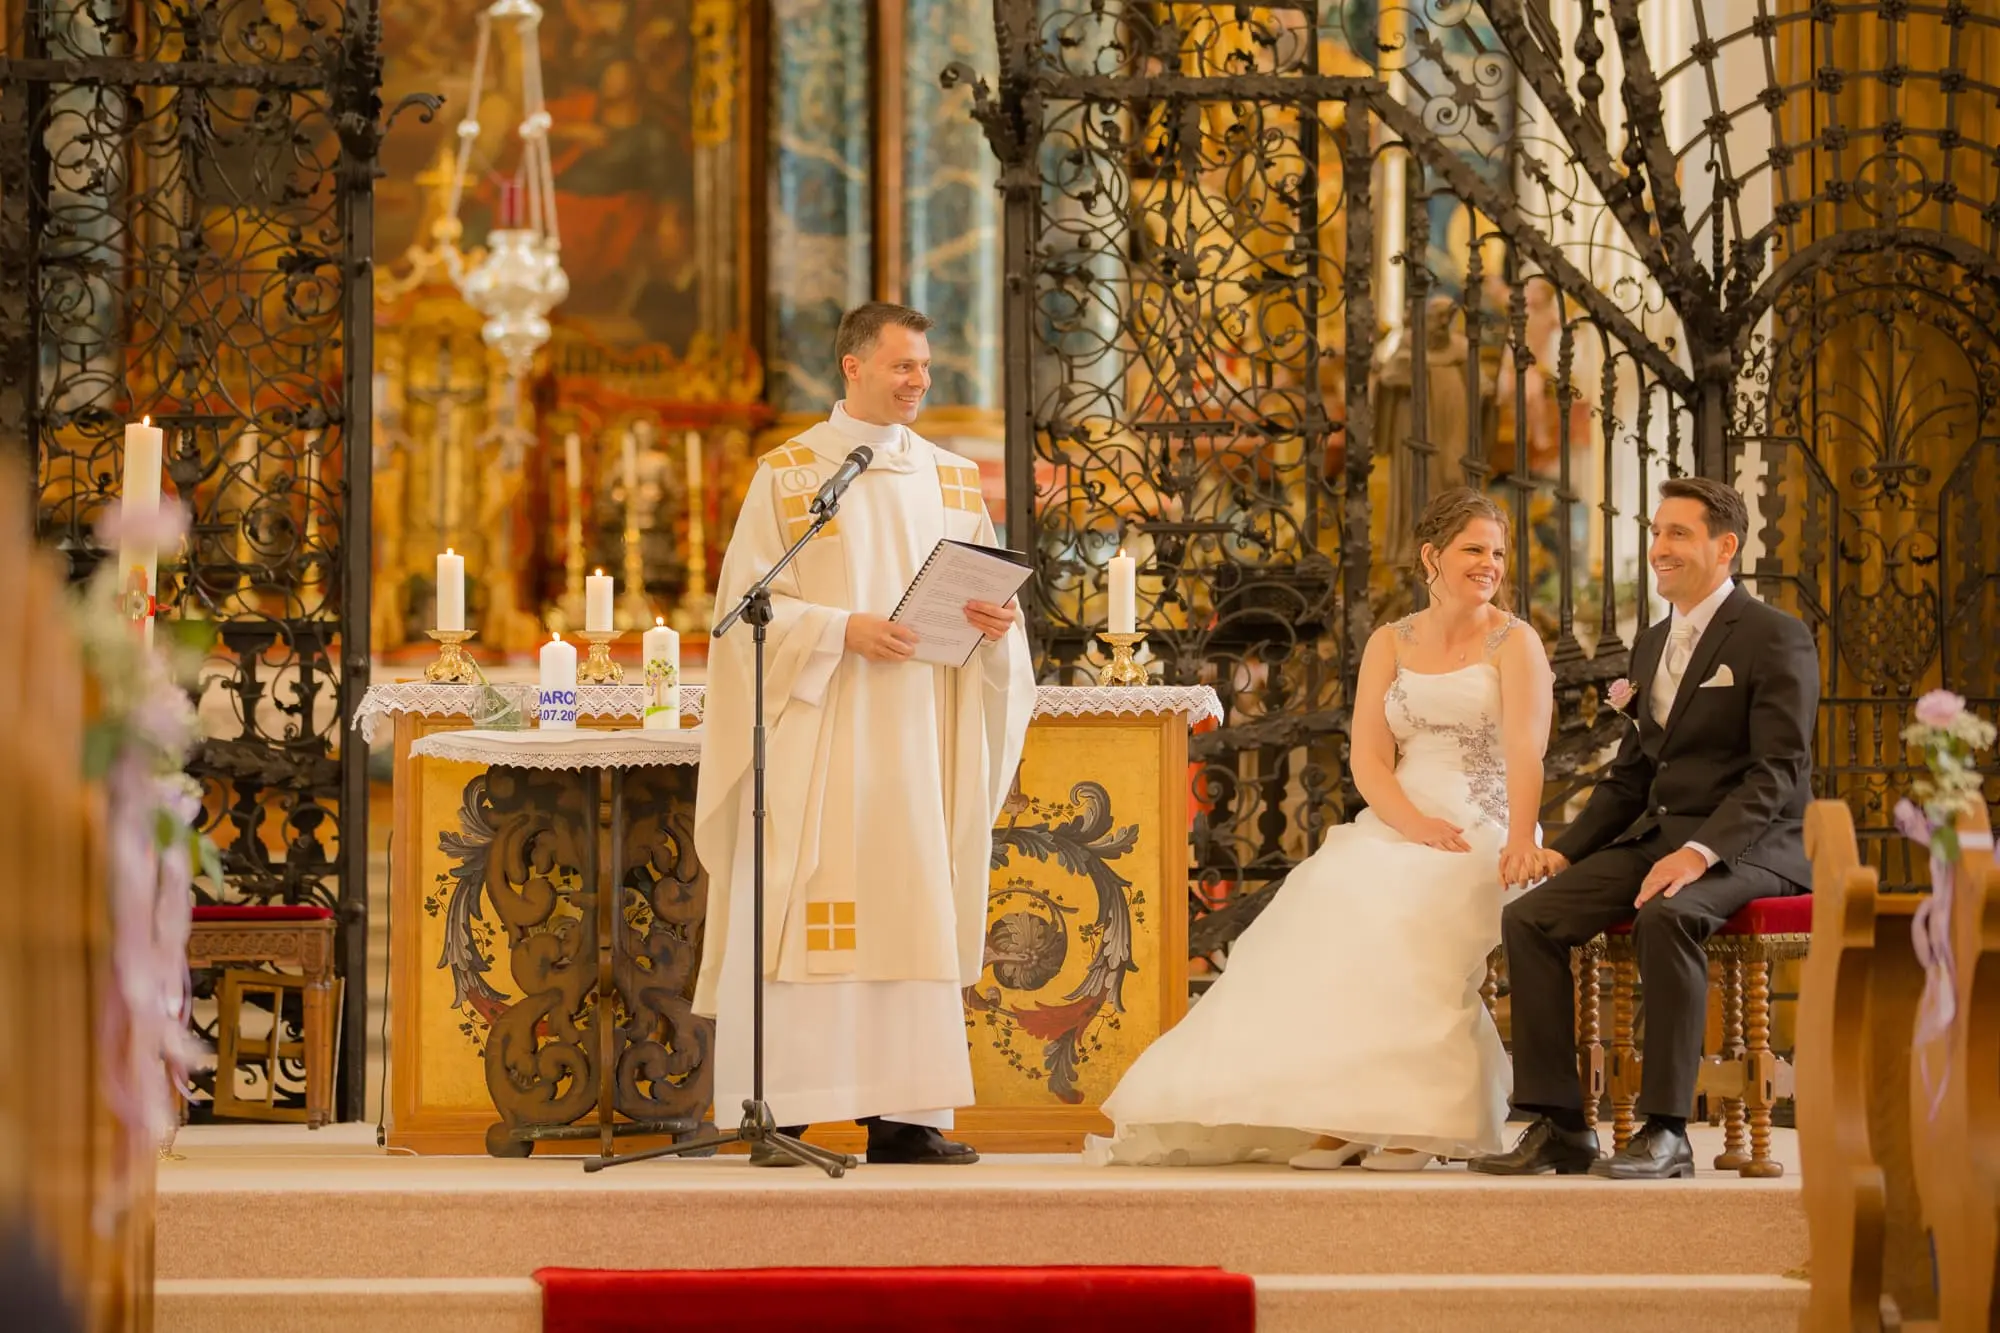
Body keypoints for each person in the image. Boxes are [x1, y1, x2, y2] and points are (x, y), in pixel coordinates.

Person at [1085, 488, 1552, 1171]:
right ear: (1432, 556)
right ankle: (1345, 1109)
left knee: (1412, 910)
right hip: (1405, 814)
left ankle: (1420, 1118)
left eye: (1498, 552)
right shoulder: (1392, 641)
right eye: (1473, 549)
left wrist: (1516, 839)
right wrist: (1411, 821)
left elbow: (1524, 750)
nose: (1489, 563)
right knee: (1330, 898)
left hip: (1486, 817)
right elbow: (1367, 755)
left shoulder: (1515, 640)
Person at [691, 302, 1035, 1166]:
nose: (919, 380)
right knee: (807, 902)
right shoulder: (790, 474)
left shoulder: (955, 482)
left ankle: (906, 1117)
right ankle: (788, 1110)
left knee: (910, 899)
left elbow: (990, 604)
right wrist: (842, 629)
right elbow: (740, 616)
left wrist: (997, 628)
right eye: (902, 366)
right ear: (852, 366)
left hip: (918, 735)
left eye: (924, 366)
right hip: (822, 731)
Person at [1472, 477, 1817, 1181]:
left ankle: (1667, 1131)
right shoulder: (1654, 640)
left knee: (1668, 915)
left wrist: (1697, 853)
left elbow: (1776, 772)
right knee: (1533, 918)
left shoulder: (1775, 636)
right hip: (1660, 836)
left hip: (1754, 842)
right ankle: (1563, 1125)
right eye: (1656, 532)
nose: (1660, 547)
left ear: (1726, 547)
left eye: (1678, 534)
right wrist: (1561, 851)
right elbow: (1631, 776)